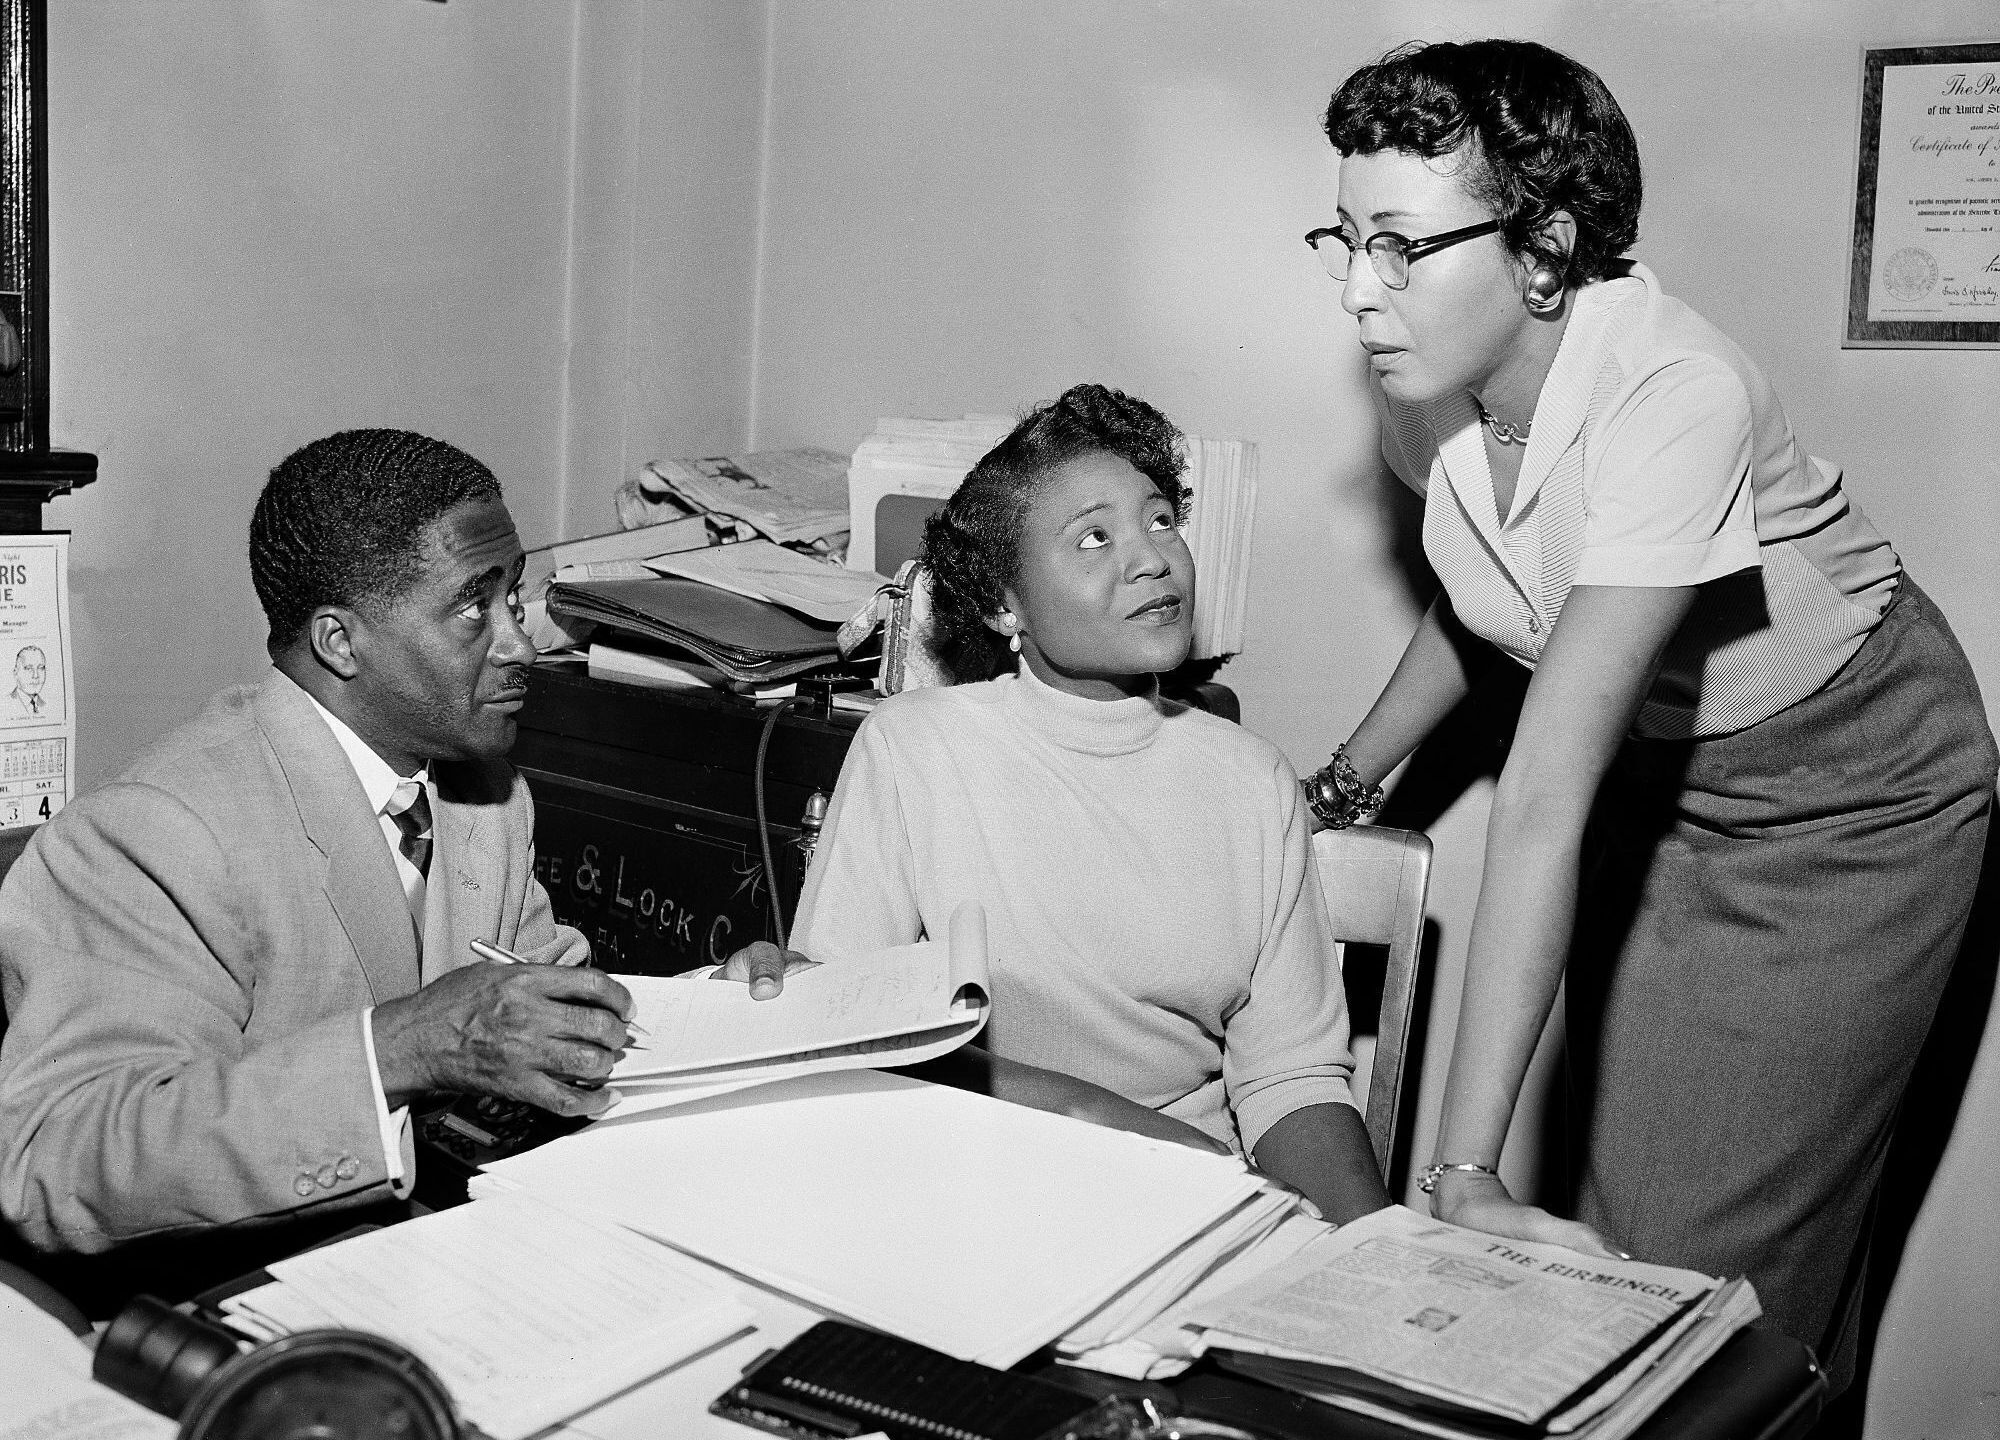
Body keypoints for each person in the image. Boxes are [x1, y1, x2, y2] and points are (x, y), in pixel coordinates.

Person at [1304, 38, 1996, 1386]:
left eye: (1398, 246)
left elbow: (1547, 785)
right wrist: (1340, 784)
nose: (1357, 294)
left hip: (1855, 791)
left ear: (1547, 246)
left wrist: (1455, 1167)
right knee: (1634, 1245)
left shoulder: (1676, 393)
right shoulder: (1425, 390)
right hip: (1663, 767)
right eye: (1341, 240)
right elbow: (1501, 598)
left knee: (1707, 1274)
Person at [728, 384, 1389, 1225]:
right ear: (1007, 605)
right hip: (971, 1193)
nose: (1152, 558)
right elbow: (863, 1041)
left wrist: (1371, 1252)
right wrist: (1102, 1119)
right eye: (1093, 537)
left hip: (1186, 1203)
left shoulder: (1253, 780)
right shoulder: (913, 749)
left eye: (1160, 521)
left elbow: (1290, 1080)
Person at [0, 429, 637, 1258]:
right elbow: (59, 1158)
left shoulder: (485, 798)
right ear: (341, 643)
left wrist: (724, 1015)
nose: (520, 643)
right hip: (240, 1296)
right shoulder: (156, 833)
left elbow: (537, 999)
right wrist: (407, 1046)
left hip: (436, 1253)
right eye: (473, 609)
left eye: (514, 598)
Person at [6, 645, 46, 719]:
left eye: (40, 668)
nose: (36, 675)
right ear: (16, 673)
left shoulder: (49, 706)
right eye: (28, 669)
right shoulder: (5, 704)